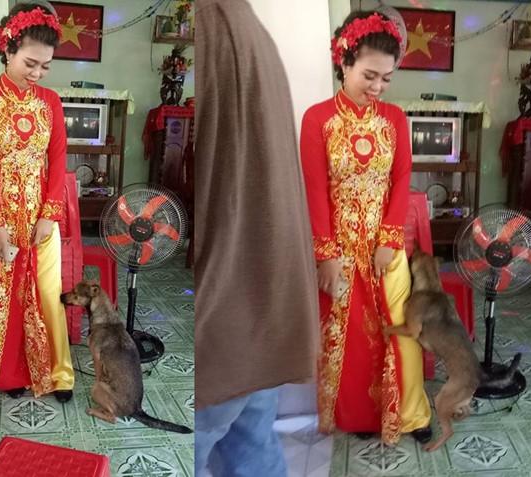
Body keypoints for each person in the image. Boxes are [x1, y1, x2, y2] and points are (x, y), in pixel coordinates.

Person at [194, 0, 318, 475]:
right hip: (262, 310)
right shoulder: (250, 29)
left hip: (224, 324)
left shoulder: (210, 22)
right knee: (253, 450)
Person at [300, 11, 432, 445]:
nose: (377, 87)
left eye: (386, 79)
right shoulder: (318, 119)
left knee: (402, 329)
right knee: (350, 336)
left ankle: (412, 415)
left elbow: (401, 179)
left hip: (384, 247)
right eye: (369, 75)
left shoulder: (394, 119)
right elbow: (315, 190)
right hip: (339, 247)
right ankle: (362, 416)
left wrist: (390, 239)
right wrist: (326, 255)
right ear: (344, 63)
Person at [0, 3, 74, 401]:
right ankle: (13, 376)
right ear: (8, 49)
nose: (37, 74)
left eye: (45, 66)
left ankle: (59, 375)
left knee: (48, 294)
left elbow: (58, 160)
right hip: (2, 219)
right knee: (4, 295)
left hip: (42, 218)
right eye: (30, 63)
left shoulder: (50, 101)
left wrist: (49, 214)